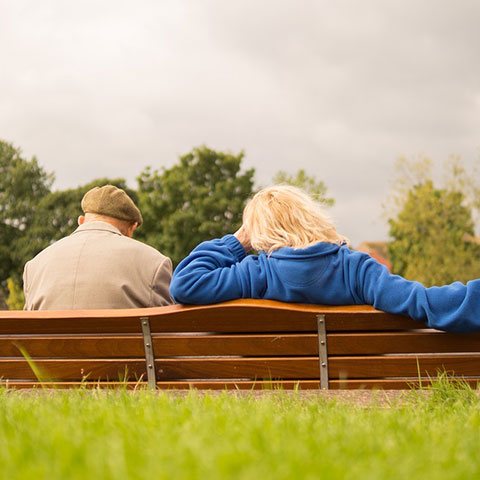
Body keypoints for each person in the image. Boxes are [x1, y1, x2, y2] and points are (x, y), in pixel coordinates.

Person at [170, 185, 480, 333]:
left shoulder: (255, 273)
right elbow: (421, 302)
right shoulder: (355, 269)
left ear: (259, 231)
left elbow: (185, 283)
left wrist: (237, 241)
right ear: (310, 216)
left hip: (275, 384)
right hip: (356, 381)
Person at [23, 185, 172, 310]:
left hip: (47, 347)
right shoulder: (154, 263)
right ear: (131, 228)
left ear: (81, 221)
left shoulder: (34, 266)